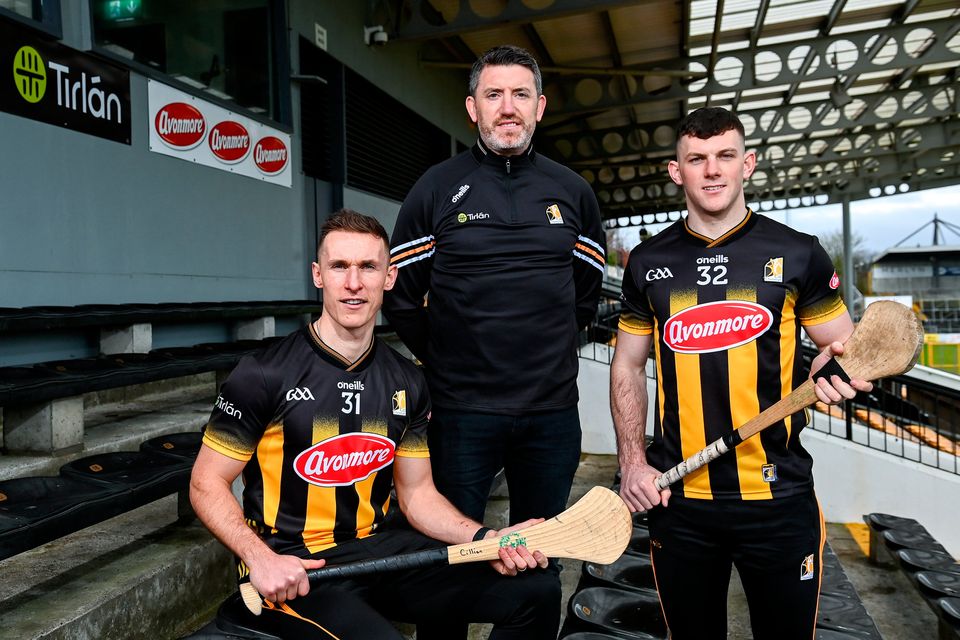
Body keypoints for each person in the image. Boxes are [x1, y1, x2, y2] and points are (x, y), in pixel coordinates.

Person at [190, 209, 560, 640]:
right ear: (318, 275)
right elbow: (205, 483)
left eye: (368, 267)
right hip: (297, 564)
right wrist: (259, 557)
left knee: (537, 589)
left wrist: (486, 537)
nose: (353, 283)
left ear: (389, 277)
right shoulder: (263, 374)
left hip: (382, 554)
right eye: (339, 266)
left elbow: (418, 494)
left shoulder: (408, 380)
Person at [610, 107, 874, 640]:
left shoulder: (797, 252)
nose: (712, 170)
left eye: (725, 156)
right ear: (675, 171)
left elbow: (843, 351)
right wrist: (632, 463)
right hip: (678, 499)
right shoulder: (647, 261)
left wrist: (840, 374)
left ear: (747, 164)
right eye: (697, 159)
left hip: (777, 499)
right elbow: (628, 365)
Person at [383, 44, 605, 540]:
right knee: (450, 561)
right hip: (461, 415)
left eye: (521, 94)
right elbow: (399, 295)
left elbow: (584, 296)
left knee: (541, 553)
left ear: (540, 107)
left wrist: (546, 352)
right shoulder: (436, 188)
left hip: (550, 416)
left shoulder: (573, 192)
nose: (508, 107)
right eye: (494, 94)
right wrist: (444, 357)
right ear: (472, 107)